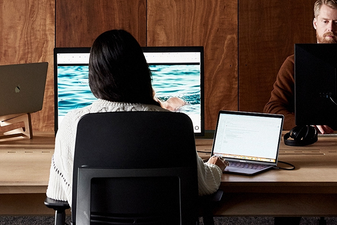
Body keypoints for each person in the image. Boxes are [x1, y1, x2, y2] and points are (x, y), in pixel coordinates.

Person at [46, 29, 227, 206]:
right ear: (142, 71)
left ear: (93, 76)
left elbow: (58, 194)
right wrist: (215, 167)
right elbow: (204, 186)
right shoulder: (175, 123)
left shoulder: (72, 123)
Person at [263, 0, 337, 134]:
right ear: (315, 23)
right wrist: (304, 124)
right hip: (309, 140)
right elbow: (272, 108)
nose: (330, 28)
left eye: (336, 22)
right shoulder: (293, 63)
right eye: (325, 21)